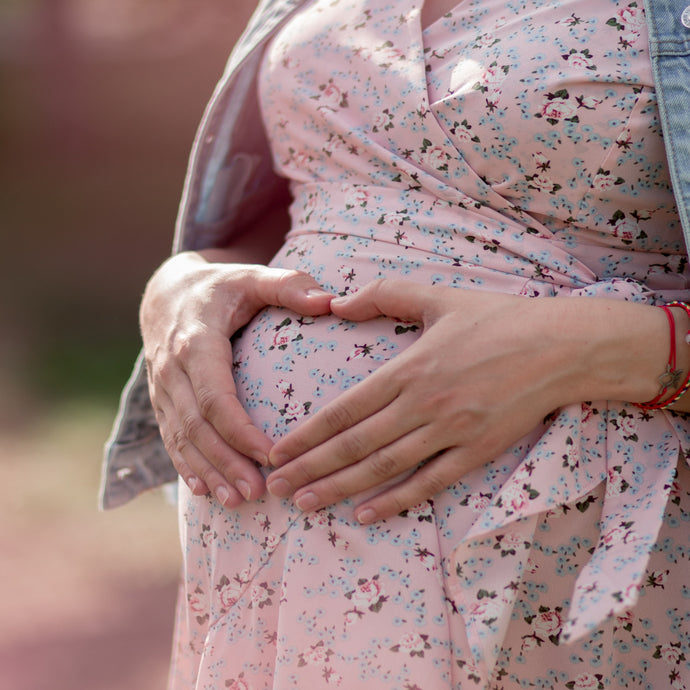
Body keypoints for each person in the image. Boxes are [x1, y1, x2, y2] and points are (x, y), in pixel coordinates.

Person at [101, 0, 690, 687]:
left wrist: (600, 348)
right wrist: (180, 285)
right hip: (269, 560)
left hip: (554, 561)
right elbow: (327, 207)